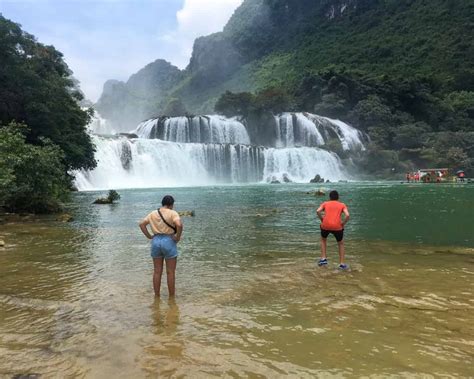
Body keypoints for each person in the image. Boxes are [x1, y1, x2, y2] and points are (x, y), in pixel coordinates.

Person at [139, 195, 183, 297]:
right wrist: (177, 237)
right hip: (169, 240)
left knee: (157, 271)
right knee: (170, 272)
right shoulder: (173, 213)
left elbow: (141, 224)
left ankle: (157, 296)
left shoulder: (153, 213)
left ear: (162, 203)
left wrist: (149, 236)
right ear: (171, 204)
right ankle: (171, 298)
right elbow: (179, 225)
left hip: (156, 241)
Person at [316, 190, 350, 270]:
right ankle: (342, 264)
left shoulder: (325, 203)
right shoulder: (342, 205)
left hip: (325, 226)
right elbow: (347, 215)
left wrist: (322, 219)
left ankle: (323, 259)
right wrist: (343, 224)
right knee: (340, 244)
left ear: (329, 197)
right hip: (337, 227)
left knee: (323, 240)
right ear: (338, 197)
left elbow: (318, 211)